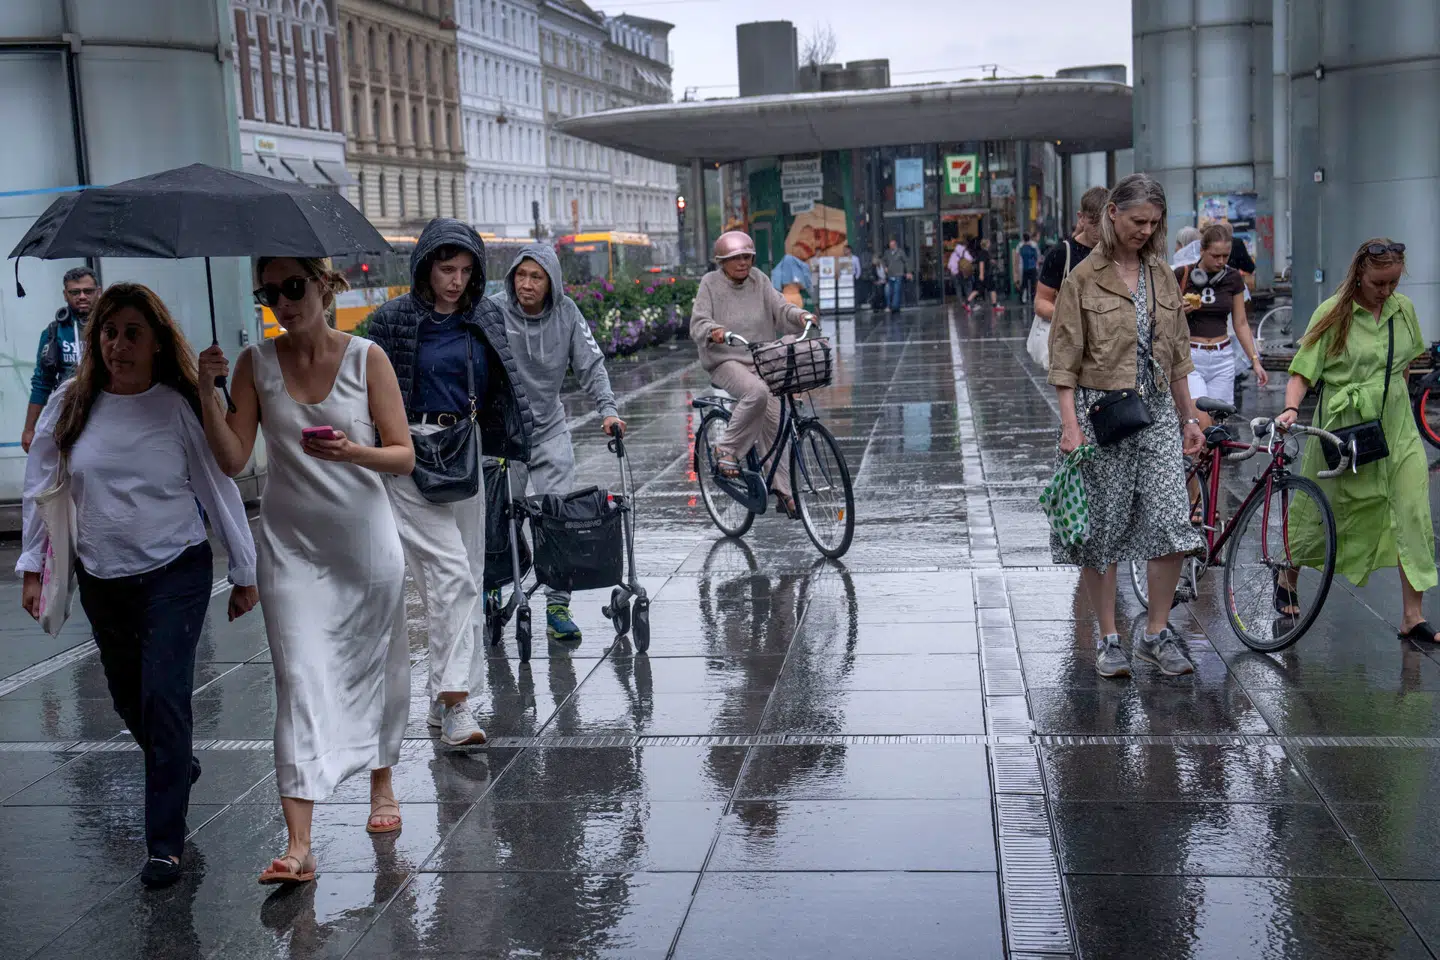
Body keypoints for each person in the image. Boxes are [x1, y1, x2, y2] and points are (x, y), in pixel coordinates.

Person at [18, 282, 259, 889]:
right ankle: (177, 762)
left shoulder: (176, 405)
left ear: (156, 343)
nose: (118, 344)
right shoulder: (72, 402)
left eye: (133, 334)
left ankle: (165, 845)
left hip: (175, 570)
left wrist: (244, 569)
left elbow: (217, 485)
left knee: (164, 698)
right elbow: (40, 484)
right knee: (129, 700)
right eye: (108, 332)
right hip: (103, 576)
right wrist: (31, 565)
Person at [197, 256, 415, 887]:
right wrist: (206, 391)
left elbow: (402, 456)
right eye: (269, 293)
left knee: (376, 665)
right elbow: (235, 459)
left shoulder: (366, 357)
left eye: (294, 287)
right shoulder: (254, 364)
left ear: (322, 284)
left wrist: (353, 451)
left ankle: (382, 785)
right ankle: (299, 845)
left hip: (364, 543)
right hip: (291, 548)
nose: (283, 302)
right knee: (298, 678)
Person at [366, 218, 532, 741]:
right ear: (425, 266)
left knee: (465, 578)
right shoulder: (390, 320)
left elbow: (504, 382)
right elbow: (365, 390)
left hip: (465, 452)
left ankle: (444, 699)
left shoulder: (484, 316)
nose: (455, 280)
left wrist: (512, 436)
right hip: (408, 454)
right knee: (452, 578)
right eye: (446, 268)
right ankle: (459, 704)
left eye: (465, 270)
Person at [1047, 173, 1206, 679]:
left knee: (1172, 522)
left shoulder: (1162, 275)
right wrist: (1070, 426)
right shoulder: (1082, 279)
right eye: (1138, 220)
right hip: (1101, 416)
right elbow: (1064, 362)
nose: (1146, 230)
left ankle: (1156, 633)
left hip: (1157, 411)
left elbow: (1178, 355)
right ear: (1111, 213)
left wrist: (1189, 416)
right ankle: (1110, 638)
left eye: (1154, 223)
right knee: (1103, 531)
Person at [1276, 239, 1437, 640]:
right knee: (1318, 508)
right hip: (1340, 428)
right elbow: (1302, 373)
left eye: (1393, 282)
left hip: (1396, 428)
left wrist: (1397, 408)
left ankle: (1412, 615)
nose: (1386, 291)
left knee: (1413, 511)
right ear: (1359, 275)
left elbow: (1402, 369)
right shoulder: (1332, 313)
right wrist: (1292, 409)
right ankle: (1287, 575)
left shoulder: (1403, 311)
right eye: (1378, 282)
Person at [490, 242, 620, 644]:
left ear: (551, 283)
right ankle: (491, 589)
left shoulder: (566, 314)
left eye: (536, 277)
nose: (526, 284)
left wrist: (608, 409)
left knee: (559, 518)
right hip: (502, 435)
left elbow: (591, 363)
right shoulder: (493, 311)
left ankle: (557, 607)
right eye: (521, 275)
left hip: (550, 430)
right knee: (497, 519)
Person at [690, 230, 815, 516]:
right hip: (726, 360)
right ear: (722, 261)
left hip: (761, 357)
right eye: (736, 258)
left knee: (778, 418)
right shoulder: (710, 283)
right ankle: (727, 450)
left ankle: (784, 491)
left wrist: (800, 316)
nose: (743, 263)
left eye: (747, 256)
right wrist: (714, 331)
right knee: (756, 392)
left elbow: (781, 308)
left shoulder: (759, 279)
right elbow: (698, 323)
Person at [1180, 223, 1268, 410]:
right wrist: (1177, 310)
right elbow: (1160, 315)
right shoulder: (1182, 274)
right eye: (1215, 256)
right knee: (1198, 418)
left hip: (1223, 357)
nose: (1221, 261)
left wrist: (1255, 360)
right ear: (1202, 250)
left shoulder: (1233, 277)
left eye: (1225, 256)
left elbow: (1241, 323)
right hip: (1191, 355)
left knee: (1218, 422)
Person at [22, 266, 99, 453]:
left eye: (88, 291)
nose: (82, 296)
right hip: (69, 415)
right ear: (65, 295)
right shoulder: (53, 332)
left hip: (107, 411)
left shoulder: (113, 328)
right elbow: (42, 382)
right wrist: (29, 429)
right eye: (75, 292)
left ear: (99, 292)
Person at [1036, 187, 1108, 326]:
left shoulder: (1118, 252)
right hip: (1074, 338)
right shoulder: (1061, 253)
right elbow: (1041, 301)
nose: (1098, 228)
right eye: (1093, 221)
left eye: (1103, 222)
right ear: (1081, 218)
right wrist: (1067, 314)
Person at [967, 237, 1001, 311]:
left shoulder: (983, 252)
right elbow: (981, 263)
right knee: (991, 289)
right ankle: (995, 305)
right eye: (989, 243)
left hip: (984, 274)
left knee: (978, 290)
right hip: (986, 275)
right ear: (987, 244)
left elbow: (983, 261)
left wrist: (991, 261)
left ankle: (967, 303)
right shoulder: (984, 253)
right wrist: (981, 274)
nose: (990, 244)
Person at [881, 238, 911, 313]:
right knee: (890, 291)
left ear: (896, 245)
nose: (892, 246)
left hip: (898, 274)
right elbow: (883, 260)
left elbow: (906, 262)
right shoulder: (887, 252)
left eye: (893, 245)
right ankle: (894, 306)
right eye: (890, 245)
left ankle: (894, 306)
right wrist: (885, 267)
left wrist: (908, 272)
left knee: (896, 290)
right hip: (890, 274)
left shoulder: (900, 252)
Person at [1016, 233, 1041, 305]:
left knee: (1024, 284)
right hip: (1033, 267)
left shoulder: (1020, 246)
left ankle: (1022, 299)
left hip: (1024, 268)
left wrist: (1016, 269)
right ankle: (1033, 299)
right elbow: (1037, 256)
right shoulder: (1034, 245)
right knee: (1033, 284)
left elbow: (1017, 258)